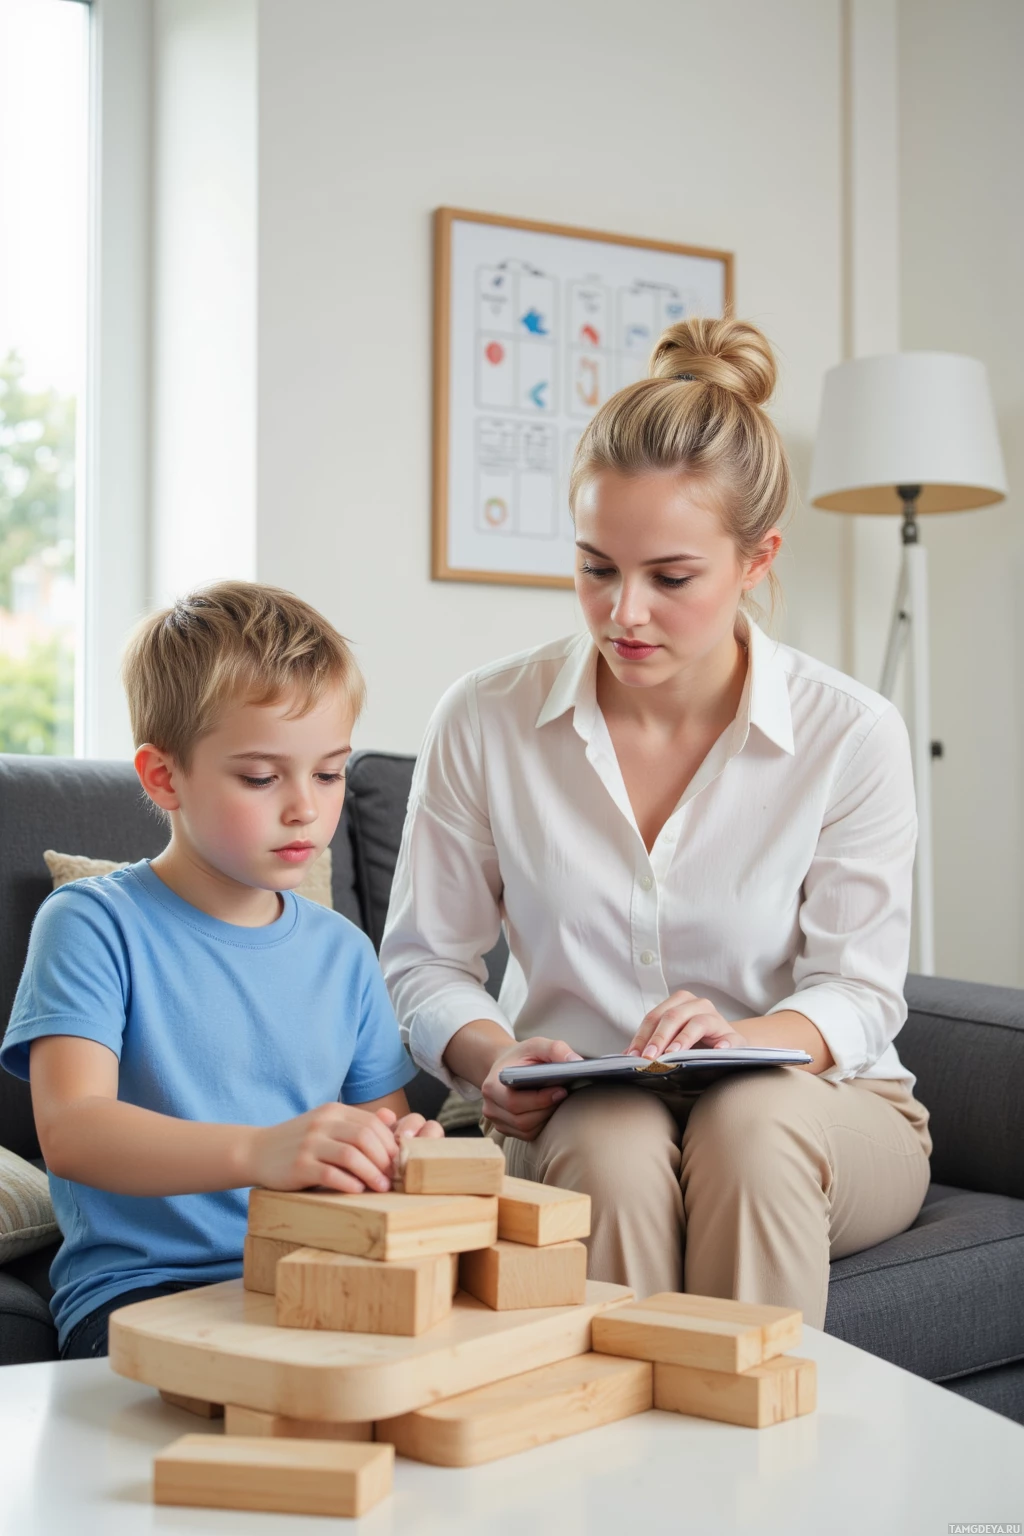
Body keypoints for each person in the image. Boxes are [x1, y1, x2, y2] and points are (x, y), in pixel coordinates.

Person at [381, 318, 932, 1328]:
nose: (622, 612)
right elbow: (422, 962)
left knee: (748, 1117)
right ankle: (607, 1472)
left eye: (669, 578)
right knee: (613, 1140)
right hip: (583, 1113)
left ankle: (759, 1472)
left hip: (824, 1109)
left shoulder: (850, 733)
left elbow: (858, 994)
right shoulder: (485, 719)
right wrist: (488, 1054)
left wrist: (747, 1039)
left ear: (756, 559)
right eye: (596, 568)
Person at [1, 581, 439, 1359]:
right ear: (164, 777)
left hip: (315, 1271)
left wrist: (403, 1150)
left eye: (330, 773)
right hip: (144, 1292)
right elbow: (73, 1133)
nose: (306, 808)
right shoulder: (93, 925)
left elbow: (376, 1130)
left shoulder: (342, 952)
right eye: (263, 778)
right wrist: (259, 1151)